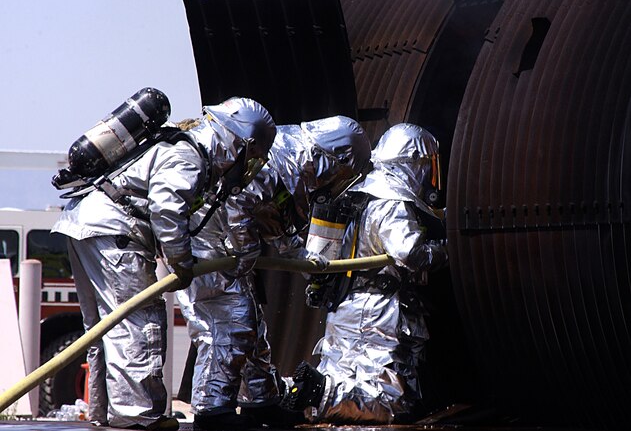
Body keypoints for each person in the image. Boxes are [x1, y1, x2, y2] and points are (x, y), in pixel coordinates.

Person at [52, 96, 276, 430]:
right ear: (238, 142)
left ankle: (103, 412)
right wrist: (182, 263)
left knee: (103, 329)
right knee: (138, 322)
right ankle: (139, 418)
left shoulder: (179, 145)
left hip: (88, 224)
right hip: (116, 232)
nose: (250, 164)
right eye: (253, 155)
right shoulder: (190, 156)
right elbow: (166, 209)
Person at [175, 115, 371, 431]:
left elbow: (278, 222)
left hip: (222, 245)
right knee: (229, 321)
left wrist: (308, 261)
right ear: (333, 159)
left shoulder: (294, 163)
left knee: (249, 323)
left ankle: (260, 400)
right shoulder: (280, 159)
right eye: (342, 172)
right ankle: (212, 411)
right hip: (208, 243)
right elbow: (238, 203)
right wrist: (245, 251)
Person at [281, 123, 448, 424]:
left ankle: (293, 390)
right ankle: (317, 391)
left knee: (342, 375)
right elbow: (409, 252)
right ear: (413, 163)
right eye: (427, 166)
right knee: (391, 399)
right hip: (380, 313)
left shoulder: (357, 191)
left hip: (344, 307)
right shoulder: (391, 200)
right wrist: (445, 250)